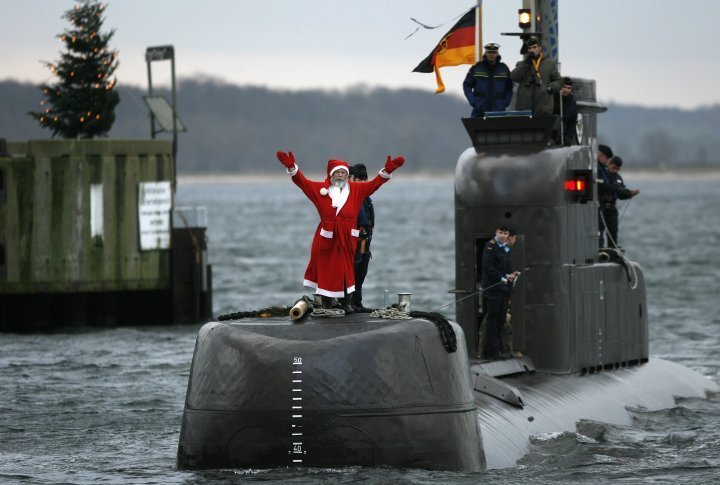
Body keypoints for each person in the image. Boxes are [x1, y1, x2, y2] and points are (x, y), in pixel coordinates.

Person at [275, 150, 404, 313]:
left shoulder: (357, 190)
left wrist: (387, 171)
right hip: (327, 237)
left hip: (348, 237)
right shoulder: (320, 190)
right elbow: (302, 182)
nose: (341, 176)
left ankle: (346, 302)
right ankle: (327, 301)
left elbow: (375, 184)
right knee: (327, 269)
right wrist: (292, 168)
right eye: (337, 172)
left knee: (347, 269)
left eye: (344, 173)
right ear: (331, 175)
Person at [480, 225, 519, 359]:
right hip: (493, 289)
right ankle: (491, 350)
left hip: (503, 289)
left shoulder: (505, 248)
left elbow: (505, 267)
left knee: (501, 319)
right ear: (496, 232)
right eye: (500, 232)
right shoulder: (490, 246)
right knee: (493, 318)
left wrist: (510, 275)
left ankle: (500, 348)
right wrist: (501, 277)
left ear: (508, 235)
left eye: (505, 233)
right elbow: (488, 267)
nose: (502, 235)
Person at [510, 36, 562, 116]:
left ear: (540, 48)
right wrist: (525, 64)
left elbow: (559, 81)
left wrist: (550, 88)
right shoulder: (522, 64)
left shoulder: (549, 64)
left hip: (543, 108)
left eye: (534, 47)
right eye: (530, 48)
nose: (532, 50)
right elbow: (514, 77)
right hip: (525, 108)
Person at [462, 42, 513, 118]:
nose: (491, 54)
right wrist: (473, 101)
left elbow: (509, 87)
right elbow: (467, 85)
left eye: (494, 52)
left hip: (499, 110)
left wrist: (506, 102)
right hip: (479, 110)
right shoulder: (477, 68)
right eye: (489, 52)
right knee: (477, 129)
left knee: (498, 130)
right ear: (485, 53)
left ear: (497, 54)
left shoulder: (504, 68)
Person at [349, 163, 374, 312]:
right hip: (355, 241)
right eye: (359, 179)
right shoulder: (350, 196)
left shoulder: (366, 197)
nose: (363, 183)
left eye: (365, 180)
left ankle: (357, 303)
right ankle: (348, 302)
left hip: (366, 240)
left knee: (361, 274)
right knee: (352, 273)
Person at [601, 156, 640, 248]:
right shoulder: (602, 174)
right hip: (601, 206)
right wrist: (627, 191)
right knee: (599, 231)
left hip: (611, 207)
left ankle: (612, 248)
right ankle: (600, 247)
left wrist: (629, 195)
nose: (615, 170)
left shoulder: (618, 177)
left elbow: (620, 193)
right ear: (609, 164)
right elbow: (614, 188)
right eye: (613, 168)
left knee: (613, 231)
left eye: (617, 169)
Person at [596, 144, 614, 247]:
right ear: (600, 156)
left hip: (602, 203)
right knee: (599, 228)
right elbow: (603, 184)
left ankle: (601, 246)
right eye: (606, 159)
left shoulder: (603, 169)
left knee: (601, 228)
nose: (607, 162)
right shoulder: (598, 169)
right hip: (598, 203)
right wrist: (614, 188)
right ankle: (599, 247)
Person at [552, 77, 578, 145]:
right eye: (564, 87)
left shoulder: (572, 102)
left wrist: (568, 139)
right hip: (551, 134)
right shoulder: (552, 98)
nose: (566, 90)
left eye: (568, 88)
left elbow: (572, 122)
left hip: (564, 136)